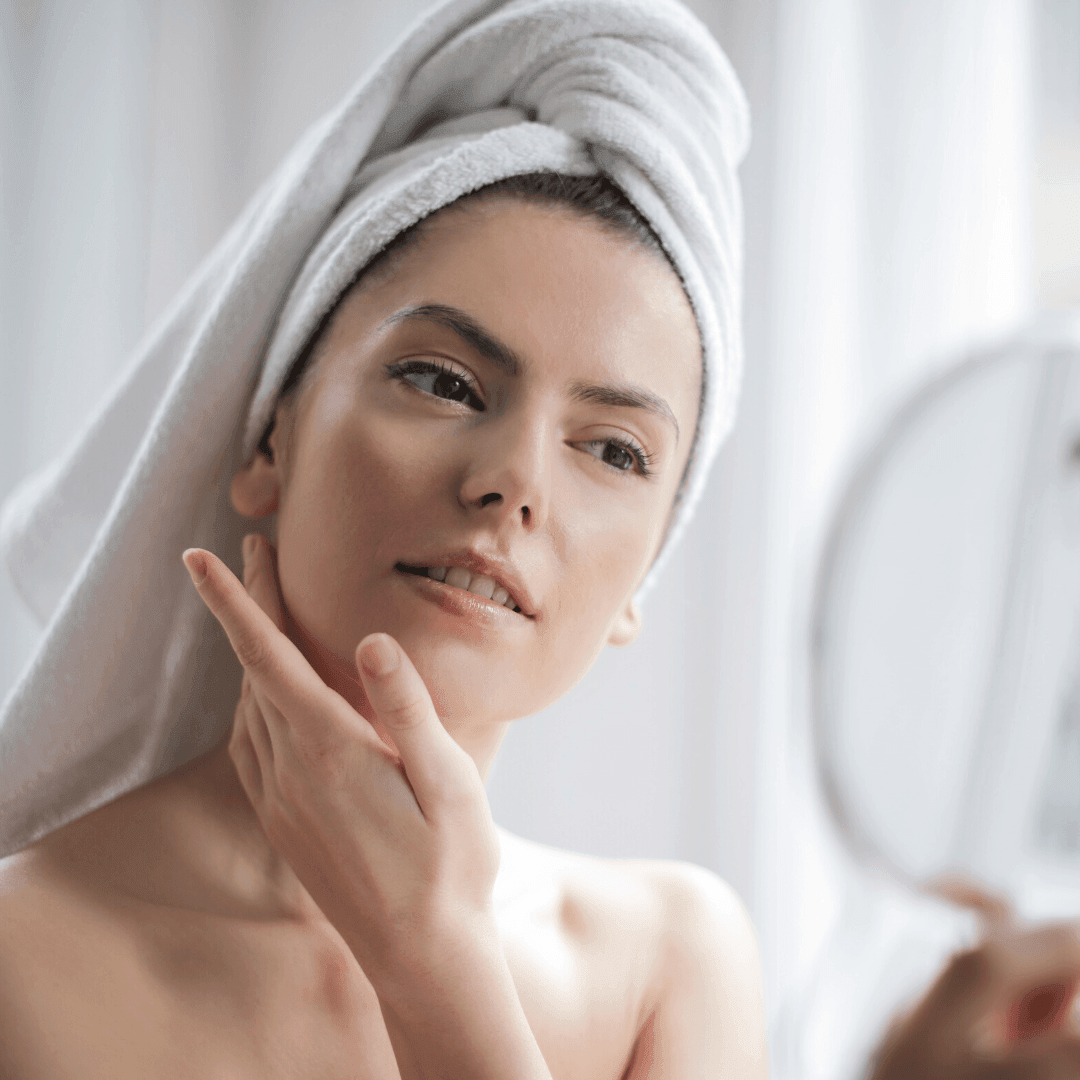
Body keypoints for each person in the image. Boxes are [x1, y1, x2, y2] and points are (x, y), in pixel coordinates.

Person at [0, 2, 1077, 1078]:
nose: (514, 482)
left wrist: (433, 962)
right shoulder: (21, 954)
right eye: (441, 380)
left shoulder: (673, 964)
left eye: (612, 451)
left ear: (645, 575)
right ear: (268, 439)